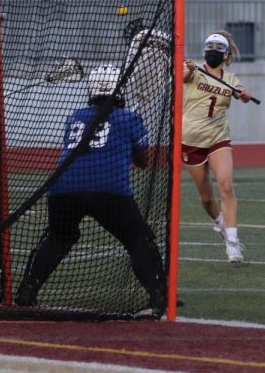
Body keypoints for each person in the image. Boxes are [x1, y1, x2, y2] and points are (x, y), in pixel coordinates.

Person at [14, 65, 167, 317]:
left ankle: (28, 289)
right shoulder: (129, 117)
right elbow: (142, 161)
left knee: (58, 238)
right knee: (139, 238)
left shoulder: (75, 116)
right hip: (108, 189)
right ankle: (158, 293)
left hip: (63, 187)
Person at [182, 31, 253, 263]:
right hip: (190, 140)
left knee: (226, 184)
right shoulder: (194, 71)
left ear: (225, 54)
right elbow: (182, 77)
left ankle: (232, 244)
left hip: (218, 137)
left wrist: (243, 94)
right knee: (206, 199)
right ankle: (219, 222)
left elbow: (240, 93)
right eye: (208, 46)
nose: (212, 50)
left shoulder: (230, 77)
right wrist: (190, 69)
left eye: (217, 47)